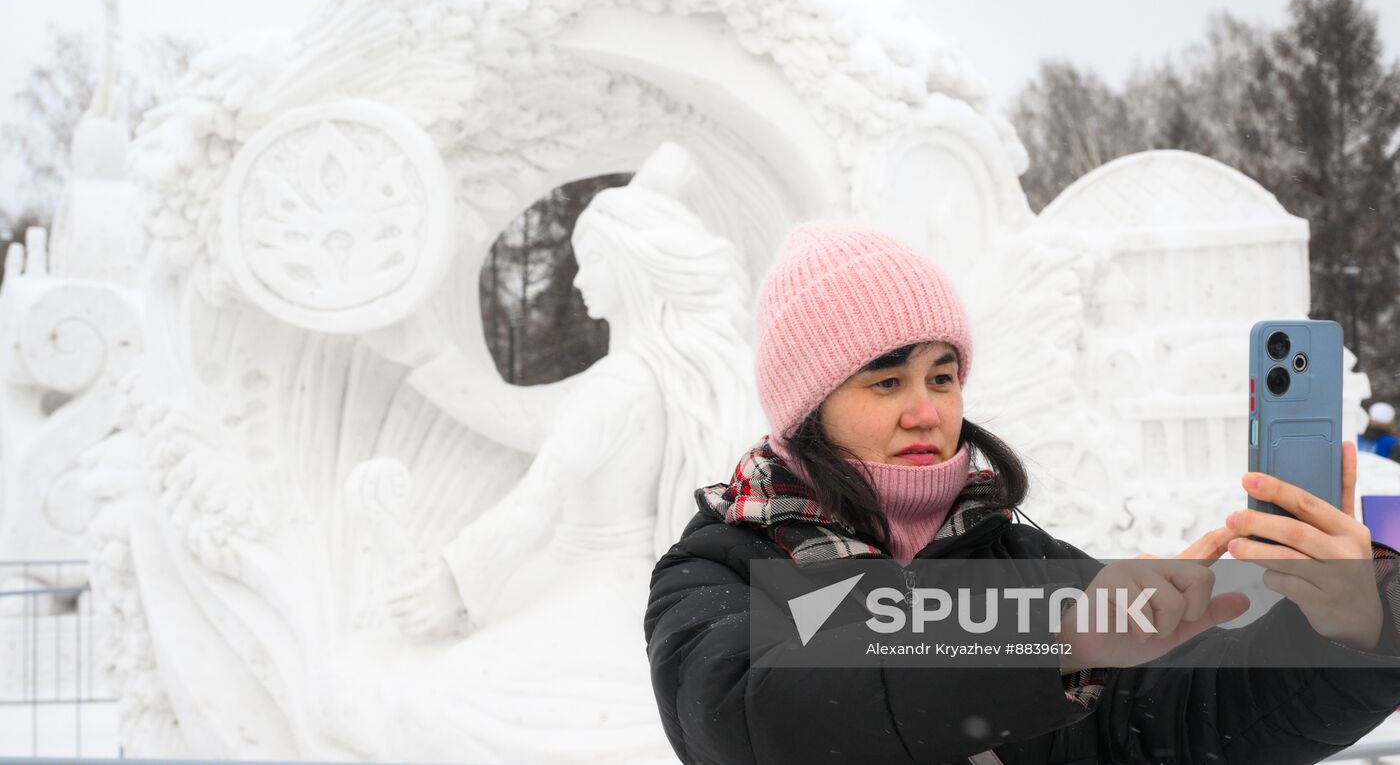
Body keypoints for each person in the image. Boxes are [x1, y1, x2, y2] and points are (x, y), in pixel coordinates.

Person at [645, 220, 1400, 765]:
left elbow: (1187, 721)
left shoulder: (1029, 563)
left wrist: (1354, 629)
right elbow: (754, 717)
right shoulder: (719, 568)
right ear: (807, 408)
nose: (928, 409)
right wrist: (1058, 643)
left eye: (943, 375)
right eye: (887, 380)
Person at [379, 166, 761, 764]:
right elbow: (523, 418)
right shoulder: (661, 377)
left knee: (430, 703)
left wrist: (453, 582)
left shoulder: (618, 386)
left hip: (600, 588)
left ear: (632, 266)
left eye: (593, 261)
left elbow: (538, 501)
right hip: (621, 582)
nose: (580, 279)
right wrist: (427, 357)